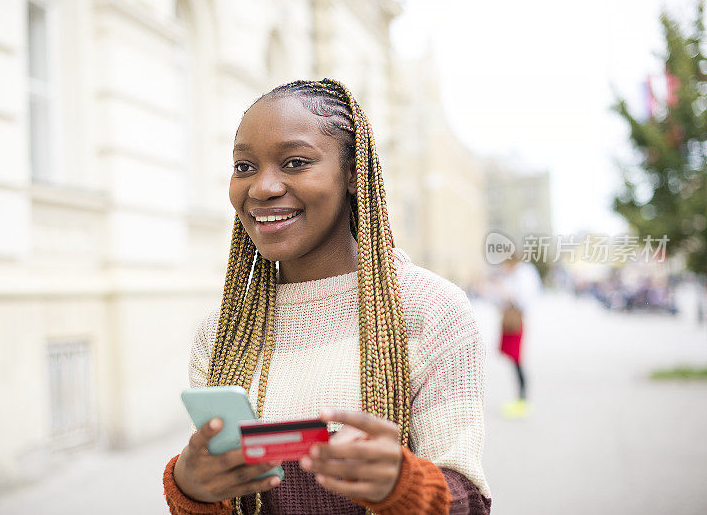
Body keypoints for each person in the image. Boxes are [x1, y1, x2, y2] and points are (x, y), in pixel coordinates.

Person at [162, 79, 491, 514]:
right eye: (244, 167)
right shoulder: (222, 335)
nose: (261, 187)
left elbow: (469, 503)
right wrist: (190, 488)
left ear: (354, 174)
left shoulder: (429, 310)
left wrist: (401, 484)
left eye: (295, 162)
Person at [495, 254, 541, 418]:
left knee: (517, 359)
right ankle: (520, 398)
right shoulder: (516, 274)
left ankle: (522, 399)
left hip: (517, 320)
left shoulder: (523, 274)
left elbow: (521, 298)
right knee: (515, 360)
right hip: (514, 318)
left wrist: (504, 291)